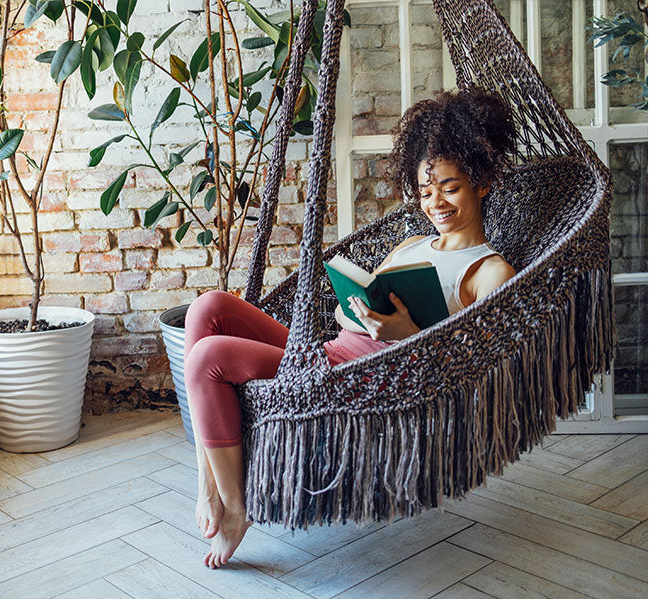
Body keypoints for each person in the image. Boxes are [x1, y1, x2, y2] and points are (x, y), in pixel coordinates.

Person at [183, 89, 518, 569]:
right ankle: (209, 487)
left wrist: (403, 334)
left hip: (354, 378)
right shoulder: (409, 246)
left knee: (206, 360)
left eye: (449, 186)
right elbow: (347, 314)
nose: (435, 203)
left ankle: (236, 510)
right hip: (330, 349)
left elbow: (473, 361)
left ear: (481, 182)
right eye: (425, 192)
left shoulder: (489, 273)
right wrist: (354, 311)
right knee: (208, 308)